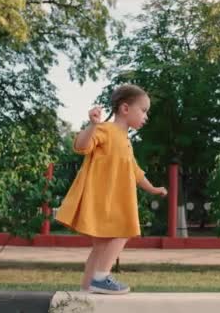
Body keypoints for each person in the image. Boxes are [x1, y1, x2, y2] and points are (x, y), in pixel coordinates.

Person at [55, 84, 167, 294]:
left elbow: (135, 171)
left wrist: (152, 188)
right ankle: (101, 277)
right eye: (143, 110)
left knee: (100, 248)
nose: (146, 116)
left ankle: (86, 290)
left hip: (109, 201)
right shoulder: (105, 130)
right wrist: (93, 125)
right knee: (124, 230)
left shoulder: (125, 140)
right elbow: (81, 146)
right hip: (103, 199)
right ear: (125, 109)